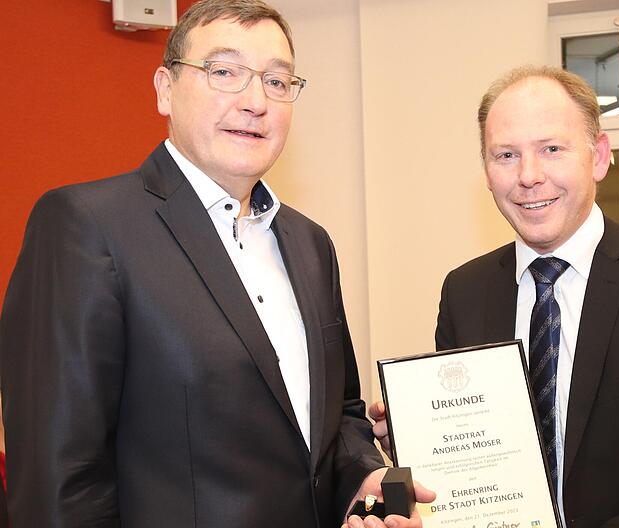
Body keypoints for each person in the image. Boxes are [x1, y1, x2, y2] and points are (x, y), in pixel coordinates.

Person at [0, 1, 433, 526]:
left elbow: (337, 415)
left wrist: (362, 474)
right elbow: (58, 479)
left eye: (277, 81)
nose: (255, 101)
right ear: (164, 89)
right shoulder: (86, 226)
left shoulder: (310, 244)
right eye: (225, 72)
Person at [370, 65, 619, 527]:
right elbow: (477, 455)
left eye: (552, 149)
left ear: (599, 156)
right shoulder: (465, 292)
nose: (529, 176)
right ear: (485, 171)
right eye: (506, 155)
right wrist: (418, 439)